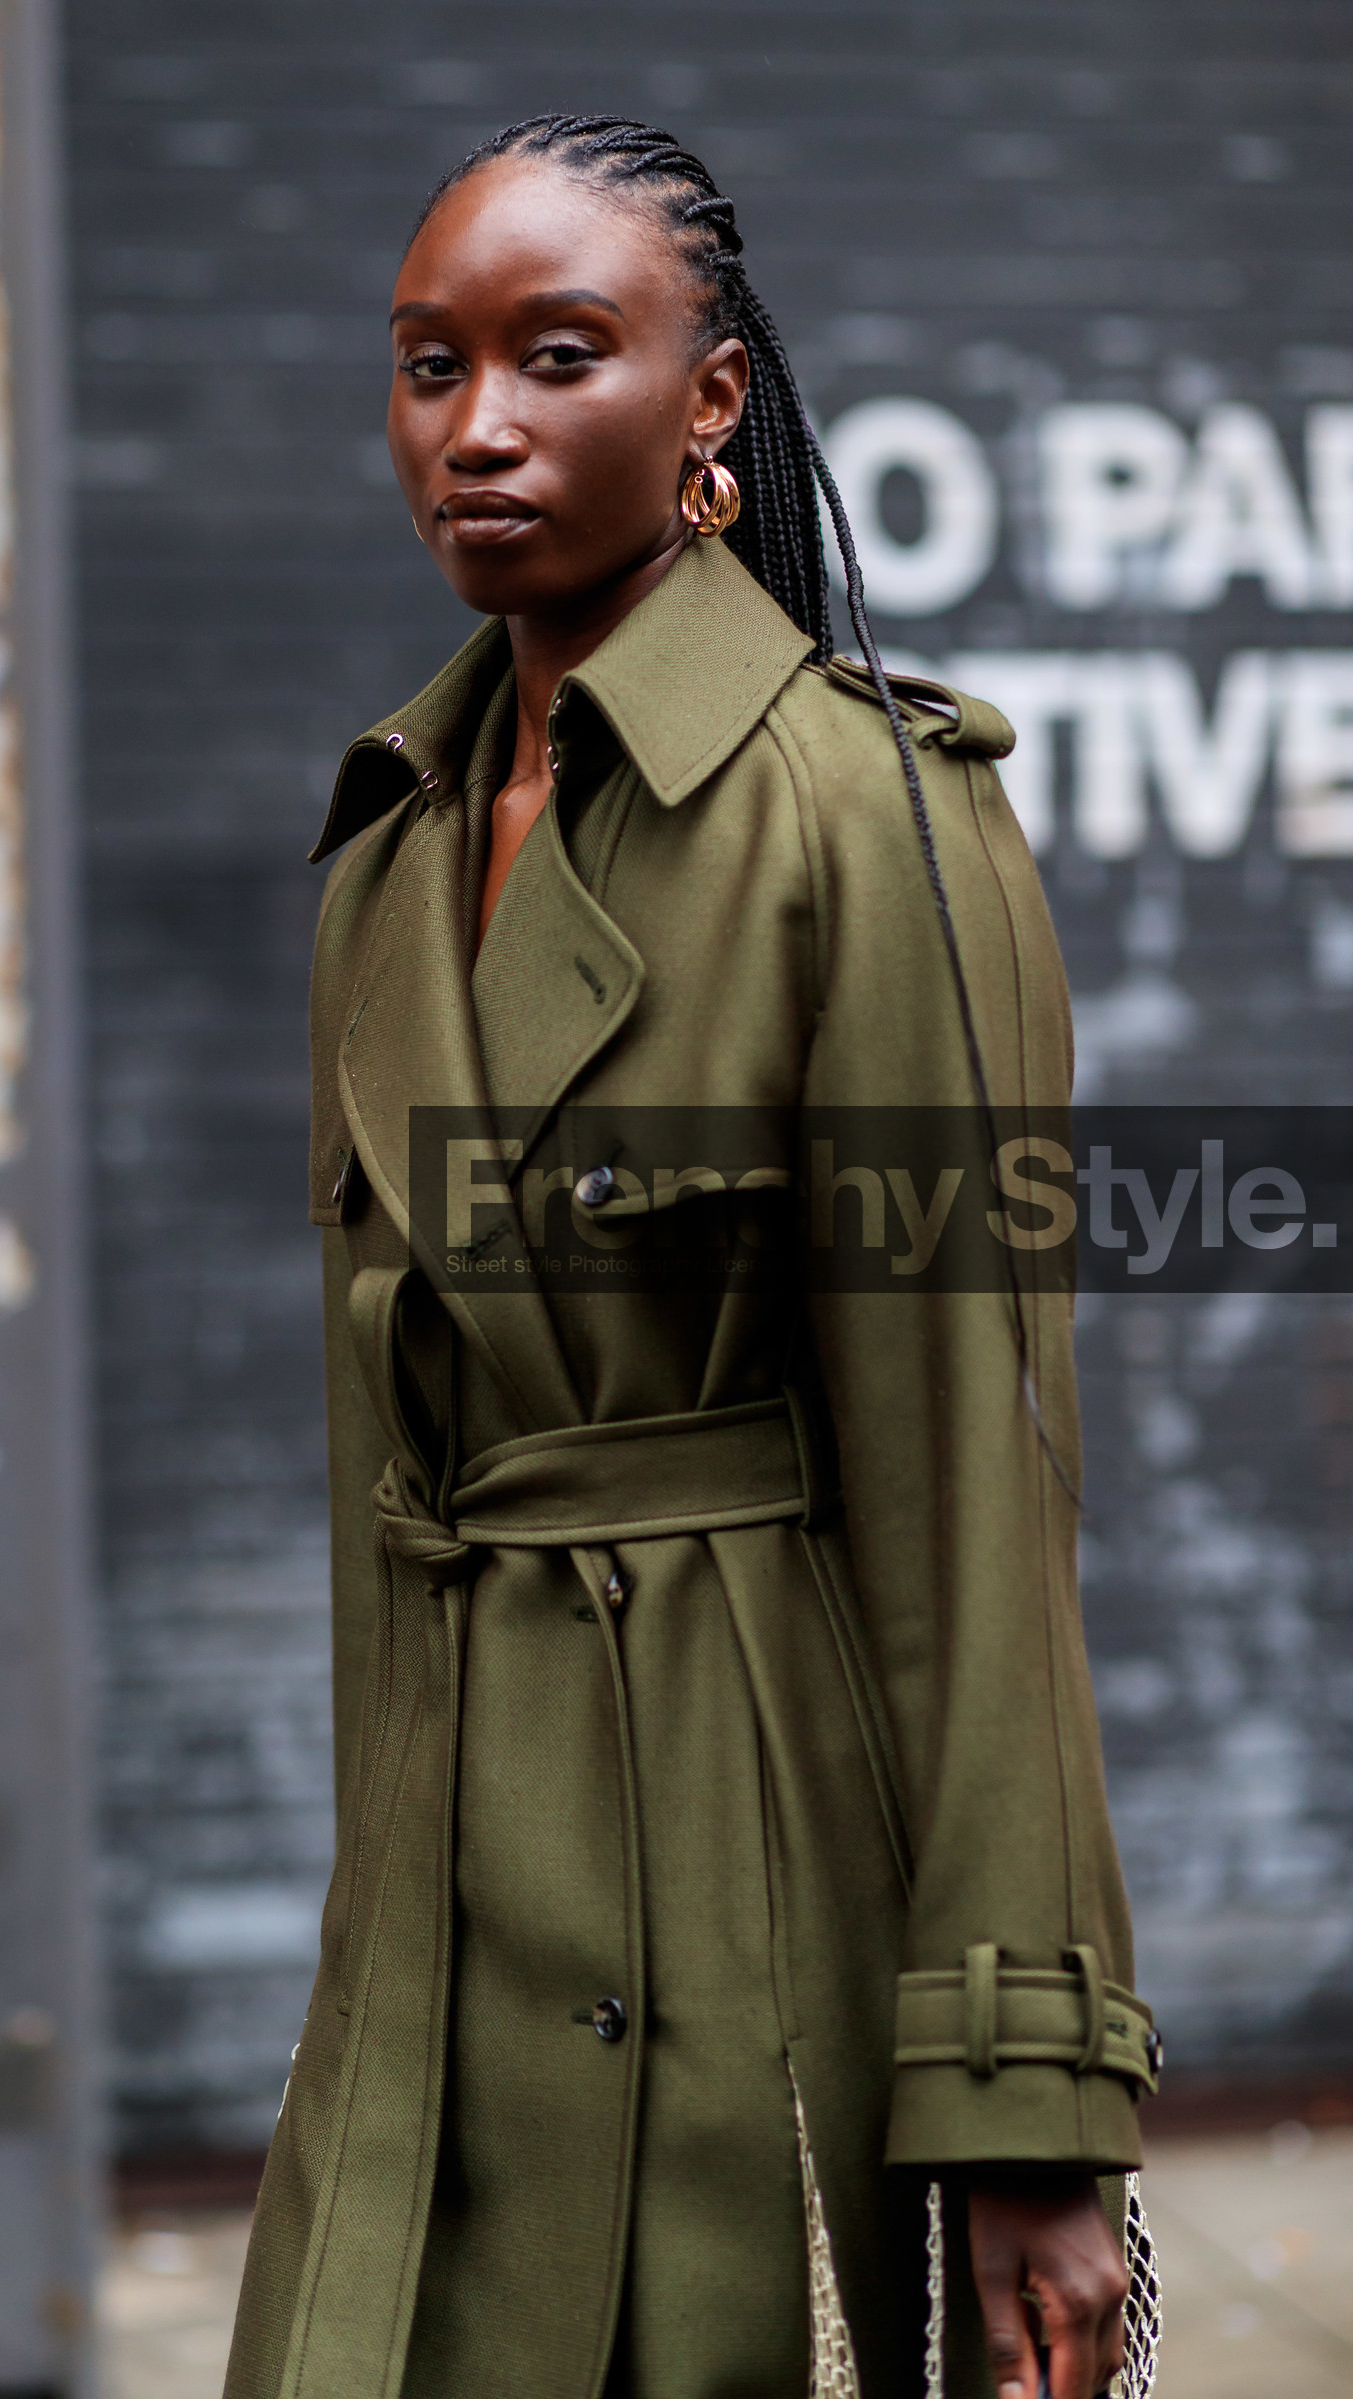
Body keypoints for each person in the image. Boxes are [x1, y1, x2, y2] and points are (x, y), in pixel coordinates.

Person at [223, 114, 1159, 2399]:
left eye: (559, 356)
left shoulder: (871, 817)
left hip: (746, 1874)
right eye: (428, 366)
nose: (479, 429)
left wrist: (1027, 2105)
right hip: (438, 1939)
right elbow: (391, 1485)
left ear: (710, 401)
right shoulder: (389, 838)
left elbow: (975, 1498)